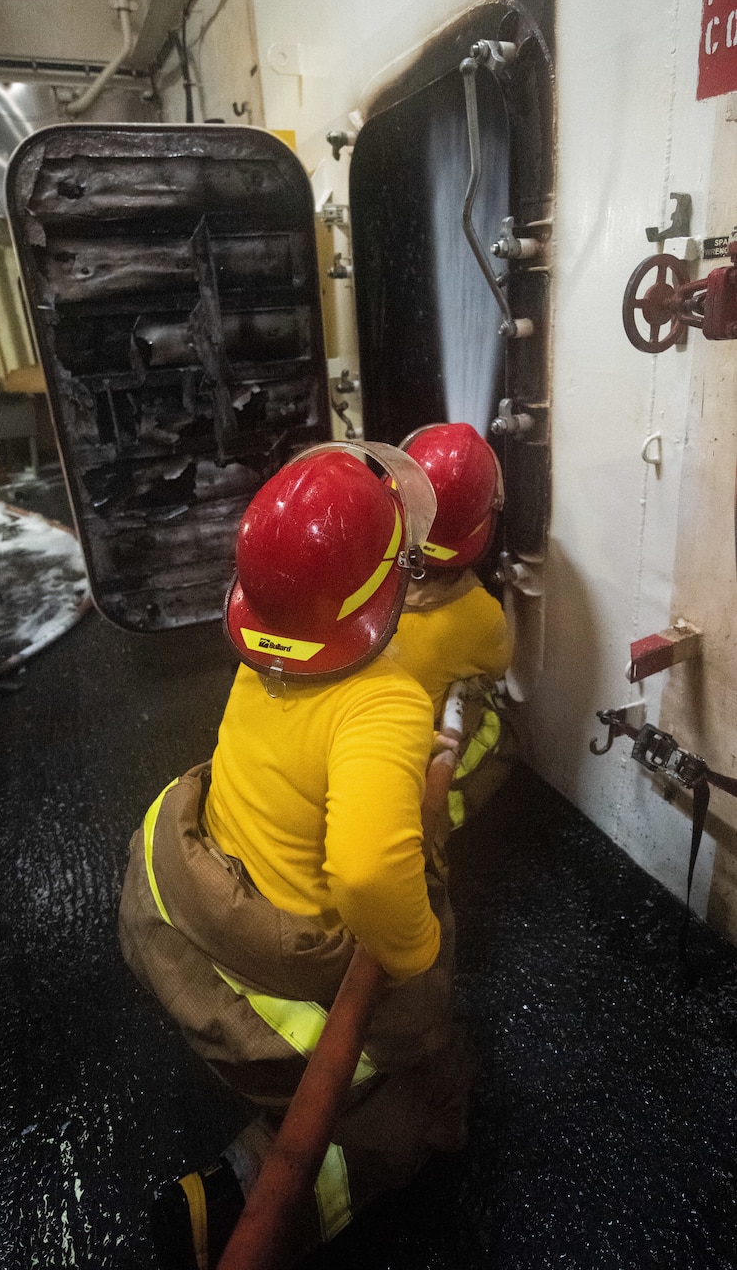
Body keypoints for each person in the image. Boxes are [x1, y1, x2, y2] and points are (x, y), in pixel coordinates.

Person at [118, 441, 477, 1269]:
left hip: (172, 911)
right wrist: (417, 955)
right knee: (427, 1094)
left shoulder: (262, 656)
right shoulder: (385, 702)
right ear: (392, 582)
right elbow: (366, 874)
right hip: (271, 1002)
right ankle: (243, 1188)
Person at [384, 423, 514, 876]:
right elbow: (498, 666)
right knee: (497, 719)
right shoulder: (481, 616)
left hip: (336, 749)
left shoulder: (358, 567)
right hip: (403, 767)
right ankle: (436, 829)